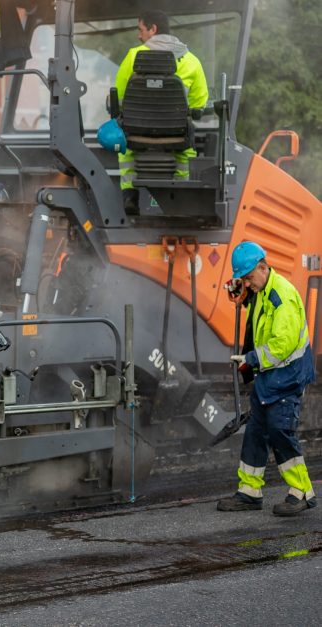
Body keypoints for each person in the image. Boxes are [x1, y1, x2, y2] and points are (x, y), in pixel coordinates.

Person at [217, 241, 316, 516]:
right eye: (244, 279)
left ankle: (303, 491)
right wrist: (242, 296)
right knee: (256, 430)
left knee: (279, 430)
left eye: (249, 278)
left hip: (288, 375)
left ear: (263, 268)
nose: (248, 283)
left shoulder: (281, 297)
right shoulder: (261, 290)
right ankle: (249, 492)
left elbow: (281, 345)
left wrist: (251, 359)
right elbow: (257, 311)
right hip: (270, 376)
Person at [114, 10, 208, 211]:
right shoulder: (192, 62)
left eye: (141, 30)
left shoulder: (132, 56)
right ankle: (181, 195)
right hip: (176, 137)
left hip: (137, 135)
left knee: (124, 146)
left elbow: (119, 95)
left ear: (153, 29)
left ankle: (130, 195)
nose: (139, 35)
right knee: (186, 152)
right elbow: (199, 104)